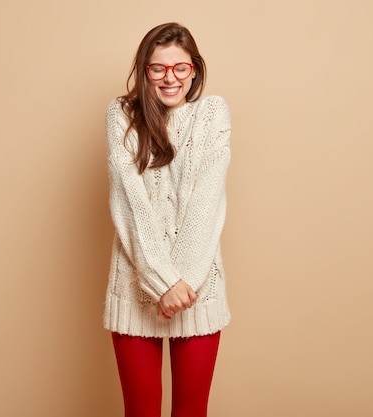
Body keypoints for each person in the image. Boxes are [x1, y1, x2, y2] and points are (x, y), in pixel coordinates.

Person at [103, 22, 232, 417]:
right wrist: (161, 283)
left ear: (194, 69)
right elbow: (129, 201)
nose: (169, 77)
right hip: (134, 288)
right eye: (158, 68)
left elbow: (206, 205)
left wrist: (180, 289)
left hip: (196, 293)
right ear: (144, 71)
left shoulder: (212, 113)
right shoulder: (122, 114)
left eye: (180, 67)